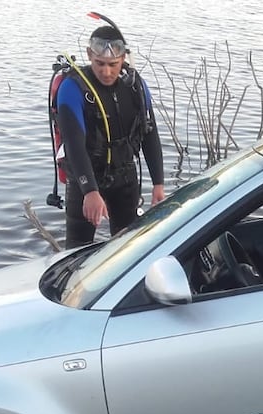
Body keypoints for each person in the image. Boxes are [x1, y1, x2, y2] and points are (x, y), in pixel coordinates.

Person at [56, 24, 166, 248]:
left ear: (123, 58)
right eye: (100, 64)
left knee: (127, 247)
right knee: (77, 250)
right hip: (86, 177)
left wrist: (158, 184)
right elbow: (74, 145)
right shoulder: (72, 88)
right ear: (89, 55)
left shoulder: (135, 85)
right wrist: (90, 191)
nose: (106, 72)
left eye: (113, 65)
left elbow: (150, 135)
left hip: (124, 176)